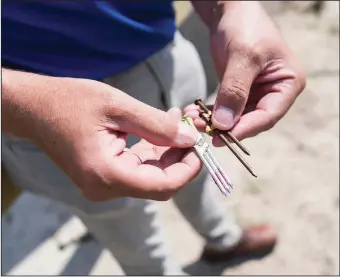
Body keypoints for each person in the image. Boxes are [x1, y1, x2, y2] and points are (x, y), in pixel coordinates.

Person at [2, 1, 306, 275]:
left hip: (168, 55)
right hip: (47, 105)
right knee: (127, 232)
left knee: (195, 172)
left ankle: (223, 239)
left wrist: (233, 6)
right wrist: (25, 101)